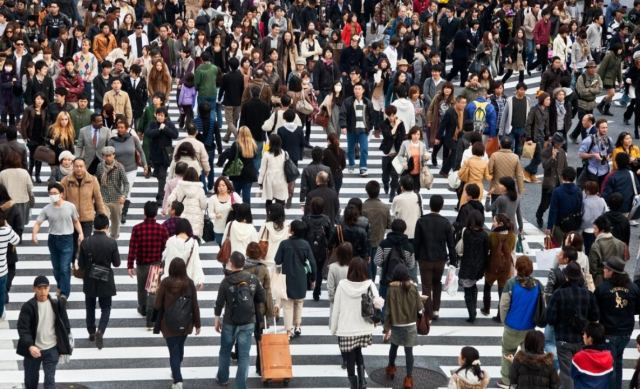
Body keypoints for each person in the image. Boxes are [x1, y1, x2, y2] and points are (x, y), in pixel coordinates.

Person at [215, 251, 265, 388]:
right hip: (248, 321)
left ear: (231, 263)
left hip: (230, 321)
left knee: (225, 351)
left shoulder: (226, 281)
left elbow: (219, 302)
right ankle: (240, 385)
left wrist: (217, 319)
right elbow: (262, 298)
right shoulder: (253, 279)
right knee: (244, 355)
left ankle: (223, 378)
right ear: (244, 263)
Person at [546, 261, 600, 389]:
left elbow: (551, 318)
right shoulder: (588, 295)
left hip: (563, 338)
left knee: (566, 372)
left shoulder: (558, 294)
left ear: (566, 276)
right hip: (582, 338)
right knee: (581, 369)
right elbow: (595, 317)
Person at [330, 257, 380, 389]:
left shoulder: (342, 285)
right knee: (359, 353)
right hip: (363, 327)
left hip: (346, 328)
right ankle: (362, 381)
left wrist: (333, 328)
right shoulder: (369, 284)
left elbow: (336, 309)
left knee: (350, 356)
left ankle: (353, 383)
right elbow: (378, 303)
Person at [16, 275, 72, 389]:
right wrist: (30, 346)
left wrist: (62, 347)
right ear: (34, 289)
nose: (42, 291)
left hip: (52, 349)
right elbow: (23, 329)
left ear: (49, 288)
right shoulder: (28, 307)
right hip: (33, 350)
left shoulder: (57, 304)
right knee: (31, 381)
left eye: (45, 288)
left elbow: (65, 326)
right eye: (39, 288)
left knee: (50, 381)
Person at [154, 257, 201, 389]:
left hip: (168, 323)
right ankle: (176, 370)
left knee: (173, 350)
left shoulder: (165, 283)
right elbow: (194, 305)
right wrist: (198, 324)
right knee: (179, 347)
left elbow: (157, 304)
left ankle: (177, 380)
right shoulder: (189, 283)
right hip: (186, 322)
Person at [32, 182, 83, 301]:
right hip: (53, 240)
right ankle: (60, 286)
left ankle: (64, 294)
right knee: (56, 268)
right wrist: (34, 234)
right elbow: (38, 223)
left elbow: (76, 221)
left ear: (61, 194)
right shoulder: (47, 209)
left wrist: (80, 233)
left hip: (67, 239)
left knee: (65, 268)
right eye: (50, 193)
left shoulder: (70, 206)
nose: (52, 195)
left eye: (55, 193)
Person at [594, 256, 640, 389]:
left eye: (606, 268)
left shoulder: (602, 289)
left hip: (609, 332)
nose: (604, 270)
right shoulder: (633, 288)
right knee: (618, 361)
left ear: (612, 271)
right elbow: (637, 309)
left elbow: (595, 310)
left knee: (610, 365)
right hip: (626, 332)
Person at [497, 256, 543, 388]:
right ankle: (526, 380)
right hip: (529, 327)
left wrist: (505, 320)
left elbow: (504, 305)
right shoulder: (537, 284)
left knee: (507, 352)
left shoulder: (511, 284)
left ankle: (506, 380)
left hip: (512, 325)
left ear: (517, 268)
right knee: (528, 355)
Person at [76, 214, 120, 349]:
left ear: (94, 226)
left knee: (90, 307)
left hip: (89, 278)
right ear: (107, 227)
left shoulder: (86, 242)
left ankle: (91, 331)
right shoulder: (112, 242)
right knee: (106, 308)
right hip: (105, 279)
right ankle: (101, 330)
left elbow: (81, 264)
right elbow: (117, 263)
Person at [414, 195, 456, 319]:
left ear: (430, 204)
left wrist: (416, 257)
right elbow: (451, 244)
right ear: (441, 206)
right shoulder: (445, 222)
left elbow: (417, 242)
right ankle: (436, 309)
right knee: (437, 283)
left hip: (425, 259)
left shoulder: (421, 221)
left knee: (426, 285)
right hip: (440, 259)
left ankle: (428, 312)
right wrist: (453, 261)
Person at [127, 201, 168, 325]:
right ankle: (150, 317)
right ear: (156, 214)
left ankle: (143, 308)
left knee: (141, 288)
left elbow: (132, 248)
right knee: (152, 290)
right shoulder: (162, 229)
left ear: (144, 212)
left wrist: (130, 265)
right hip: (155, 263)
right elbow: (164, 248)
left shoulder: (137, 229)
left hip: (141, 264)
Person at [383, 264, 423, 389]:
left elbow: (388, 310)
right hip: (410, 324)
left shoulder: (391, 289)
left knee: (393, 348)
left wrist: (386, 328)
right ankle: (408, 379)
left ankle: (391, 368)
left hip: (396, 324)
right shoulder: (413, 288)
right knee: (409, 352)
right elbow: (420, 308)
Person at [275, 220, 317, 339]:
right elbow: (312, 263)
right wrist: (313, 278)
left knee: (287, 305)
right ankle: (298, 325)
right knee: (299, 302)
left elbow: (277, 260)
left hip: (287, 278)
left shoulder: (284, 244)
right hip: (301, 278)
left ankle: (289, 331)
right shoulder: (305, 245)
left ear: (292, 231)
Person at [108, 120, 148, 223]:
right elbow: (108, 155)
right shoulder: (112, 141)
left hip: (131, 169)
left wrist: (145, 165)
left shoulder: (133, 139)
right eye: (118, 127)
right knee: (119, 190)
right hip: (116, 169)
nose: (120, 129)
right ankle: (118, 211)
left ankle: (123, 213)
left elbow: (141, 151)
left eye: (122, 127)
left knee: (127, 190)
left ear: (126, 128)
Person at [483, 214, 517, 321]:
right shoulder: (512, 236)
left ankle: (486, 308)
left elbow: (488, 250)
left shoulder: (492, 236)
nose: (493, 223)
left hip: (493, 265)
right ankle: (500, 314)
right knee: (501, 291)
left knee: (487, 287)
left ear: (500, 224)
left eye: (494, 221)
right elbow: (511, 249)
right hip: (506, 266)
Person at [457, 210, 489, 323]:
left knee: (467, 290)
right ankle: (473, 308)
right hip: (479, 266)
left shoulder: (467, 233)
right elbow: (486, 252)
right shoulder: (485, 235)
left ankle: (472, 312)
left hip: (467, 265)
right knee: (473, 286)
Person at [146, 107, 179, 204]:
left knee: (162, 175)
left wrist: (165, 128)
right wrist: (158, 130)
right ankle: (162, 190)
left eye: (162, 115)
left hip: (165, 155)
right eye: (158, 115)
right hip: (155, 154)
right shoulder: (152, 124)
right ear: (155, 115)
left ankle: (161, 196)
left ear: (165, 116)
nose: (160, 117)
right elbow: (148, 133)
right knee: (158, 174)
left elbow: (175, 134)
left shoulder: (169, 124)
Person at [217, 126, 258, 204]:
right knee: (247, 194)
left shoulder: (236, 144)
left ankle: (236, 212)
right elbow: (255, 156)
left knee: (235, 194)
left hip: (237, 172)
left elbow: (231, 156)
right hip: (249, 173)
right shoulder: (253, 144)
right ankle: (246, 213)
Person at [94, 146, 129, 239]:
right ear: (103, 156)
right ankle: (103, 237)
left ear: (114, 155)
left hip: (116, 198)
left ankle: (114, 238)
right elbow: (97, 180)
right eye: (105, 156)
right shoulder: (100, 166)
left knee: (116, 221)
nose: (108, 158)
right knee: (103, 219)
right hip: (103, 198)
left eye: (110, 155)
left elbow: (126, 183)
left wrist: (124, 195)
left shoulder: (119, 167)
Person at [340, 82, 374, 177]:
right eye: (355, 89)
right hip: (351, 129)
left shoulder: (367, 102)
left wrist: (371, 127)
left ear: (363, 90)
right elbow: (343, 114)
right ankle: (351, 164)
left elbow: (372, 116)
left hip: (363, 129)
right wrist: (343, 126)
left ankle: (363, 167)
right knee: (351, 148)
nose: (357, 90)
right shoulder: (348, 101)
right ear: (353, 90)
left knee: (364, 148)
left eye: (359, 89)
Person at [536, 132, 568, 228]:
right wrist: (552, 157)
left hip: (559, 183)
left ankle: (555, 222)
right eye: (559, 143)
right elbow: (545, 166)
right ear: (554, 142)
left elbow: (565, 166)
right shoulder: (546, 151)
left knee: (558, 204)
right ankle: (539, 214)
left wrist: (566, 179)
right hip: (549, 183)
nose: (561, 145)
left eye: (562, 143)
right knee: (545, 204)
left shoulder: (562, 152)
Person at [166, 167, 207, 239]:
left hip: (182, 219)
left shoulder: (179, 187)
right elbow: (203, 206)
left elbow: (170, 199)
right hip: (196, 221)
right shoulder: (200, 189)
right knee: (194, 246)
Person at [362, 180, 392, 279]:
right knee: (374, 264)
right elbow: (389, 225)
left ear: (367, 191)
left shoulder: (362, 207)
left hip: (365, 240)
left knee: (365, 264)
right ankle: (373, 284)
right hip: (378, 239)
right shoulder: (385, 208)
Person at [571, 322, 614, 388]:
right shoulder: (609, 357)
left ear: (590, 339)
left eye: (585, 334)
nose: (583, 336)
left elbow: (573, 374)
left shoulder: (579, 357)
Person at [547, 167, 582, 245]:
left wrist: (549, 227)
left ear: (562, 177)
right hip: (574, 225)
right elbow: (580, 207)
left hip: (560, 225)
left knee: (557, 248)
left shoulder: (557, 191)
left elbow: (553, 211)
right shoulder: (578, 190)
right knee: (571, 248)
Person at [589, 215, 627, 288]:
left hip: (601, 280)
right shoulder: (620, 244)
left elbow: (593, 268)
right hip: (618, 279)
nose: (593, 231)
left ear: (602, 230)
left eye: (595, 229)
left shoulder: (596, 246)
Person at [20, 92, 49, 183]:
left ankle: (37, 175)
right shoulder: (29, 109)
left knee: (39, 157)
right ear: (34, 99)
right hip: (31, 137)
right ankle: (29, 175)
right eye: (38, 99)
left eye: (41, 99)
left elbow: (47, 124)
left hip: (41, 138)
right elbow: (23, 124)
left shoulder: (45, 110)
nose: (39, 101)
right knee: (32, 157)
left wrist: (46, 136)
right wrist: (25, 136)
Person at [523, 92, 551, 183]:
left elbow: (547, 125)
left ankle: (532, 175)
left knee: (537, 157)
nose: (549, 101)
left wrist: (547, 137)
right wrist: (529, 138)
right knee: (539, 157)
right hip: (535, 137)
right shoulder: (534, 109)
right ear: (542, 100)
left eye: (549, 99)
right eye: (547, 99)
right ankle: (527, 170)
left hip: (542, 136)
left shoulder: (546, 110)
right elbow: (528, 124)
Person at [578, 118, 613, 188]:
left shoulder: (609, 139)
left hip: (605, 170)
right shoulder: (589, 140)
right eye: (603, 128)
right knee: (593, 192)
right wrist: (593, 155)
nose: (605, 130)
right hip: (593, 171)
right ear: (597, 128)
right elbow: (580, 154)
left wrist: (609, 156)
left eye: (606, 127)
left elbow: (611, 152)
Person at [207, 176, 242, 246]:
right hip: (219, 229)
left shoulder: (234, 196)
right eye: (219, 186)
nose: (221, 188)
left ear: (227, 186)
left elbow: (242, 209)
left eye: (223, 185)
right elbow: (210, 213)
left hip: (232, 228)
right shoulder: (213, 199)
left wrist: (235, 207)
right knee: (223, 249)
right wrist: (215, 216)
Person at [488, 137, 524, 203]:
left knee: (495, 210)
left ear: (500, 145)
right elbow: (519, 175)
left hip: (496, 189)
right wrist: (520, 190)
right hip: (509, 190)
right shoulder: (515, 157)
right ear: (511, 146)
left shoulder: (494, 155)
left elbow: (489, 171)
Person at [258, 133, 288, 212]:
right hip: (281, 179)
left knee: (269, 200)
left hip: (270, 180)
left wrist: (260, 182)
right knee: (280, 200)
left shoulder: (266, 154)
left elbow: (262, 169)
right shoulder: (284, 153)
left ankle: (269, 216)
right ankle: (280, 217)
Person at [458, 142, 492, 207]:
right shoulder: (484, 163)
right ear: (483, 151)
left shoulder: (468, 161)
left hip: (469, 185)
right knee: (475, 207)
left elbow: (460, 173)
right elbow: (487, 177)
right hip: (479, 186)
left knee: (464, 206)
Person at [257, 203, 290, 269]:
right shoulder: (287, 225)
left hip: (266, 260)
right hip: (282, 260)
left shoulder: (266, 226)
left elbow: (259, 239)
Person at [581, 181, 609, 255]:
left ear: (587, 191)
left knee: (588, 249)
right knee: (597, 248)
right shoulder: (602, 200)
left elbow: (585, 218)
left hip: (588, 229)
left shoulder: (584, 202)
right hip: (599, 229)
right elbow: (606, 212)